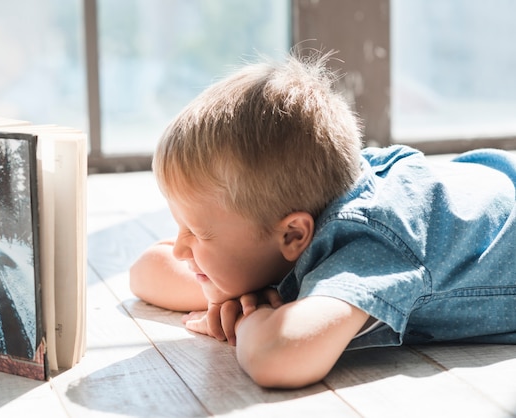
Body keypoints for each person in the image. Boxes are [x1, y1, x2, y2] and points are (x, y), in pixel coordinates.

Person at [129, 52, 516, 389]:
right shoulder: (302, 201)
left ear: (294, 234)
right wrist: (230, 289)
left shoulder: (367, 247)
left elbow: (277, 356)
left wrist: (256, 315)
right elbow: (147, 271)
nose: (180, 248)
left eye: (196, 233)